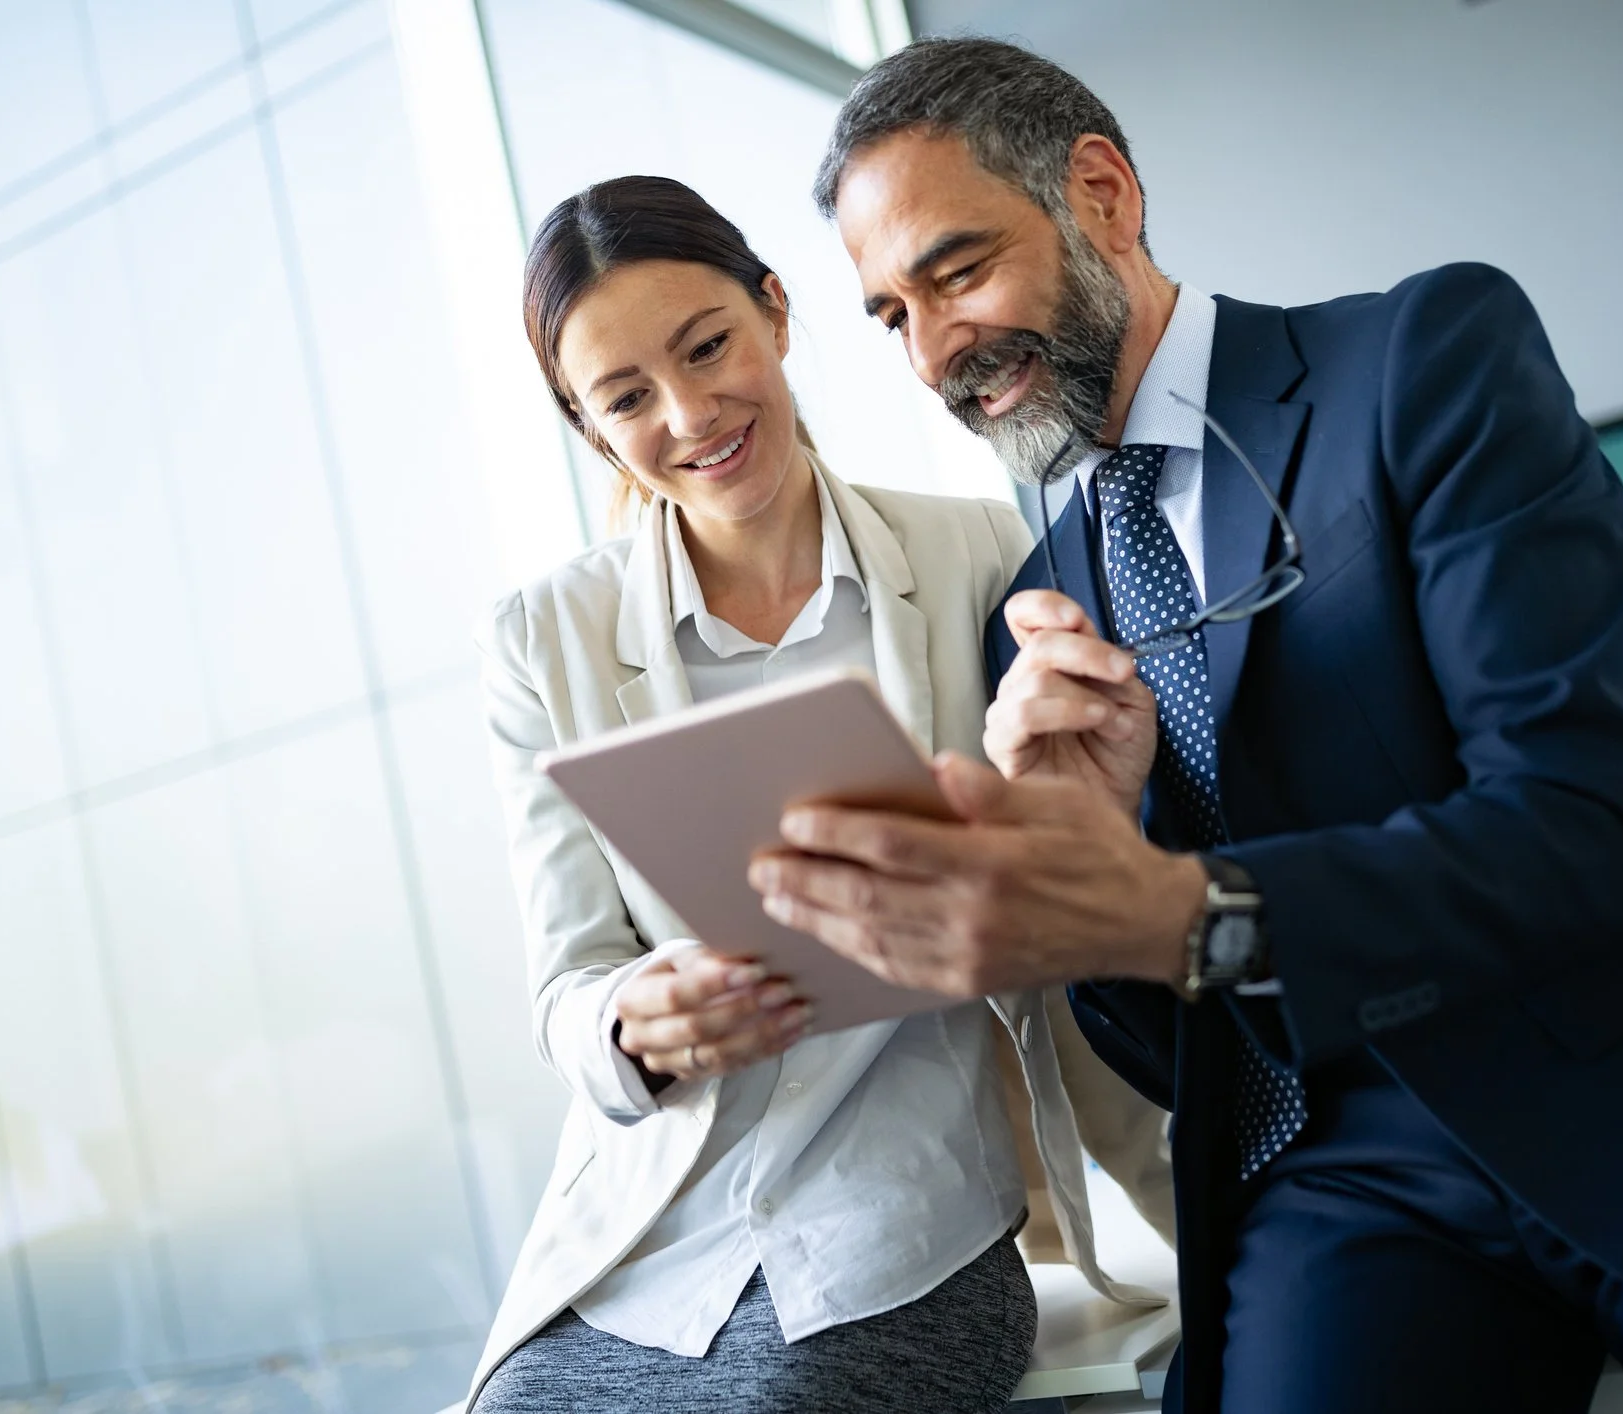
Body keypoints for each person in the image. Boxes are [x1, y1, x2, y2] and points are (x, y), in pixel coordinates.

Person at [741, 37, 1623, 1414]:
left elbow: (1587, 823)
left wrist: (1184, 905)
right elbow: (1162, 1037)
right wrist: (1080, 860)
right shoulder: (1045, 594)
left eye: (956, 270)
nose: (937, 347)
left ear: (1102, 193)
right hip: (1357, 1183)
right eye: (891, 313)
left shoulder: (1424, 358)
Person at [462, 176, 1171, 1413]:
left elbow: (1093, 858)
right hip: (650, 1249)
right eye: (628, 398)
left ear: (778, 314)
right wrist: (639, 1017)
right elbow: (567, 986)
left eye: (709, 346)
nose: (690, 413)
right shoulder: (545, 640)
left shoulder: (979, 557)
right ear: (589, 429)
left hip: (899, 1229)